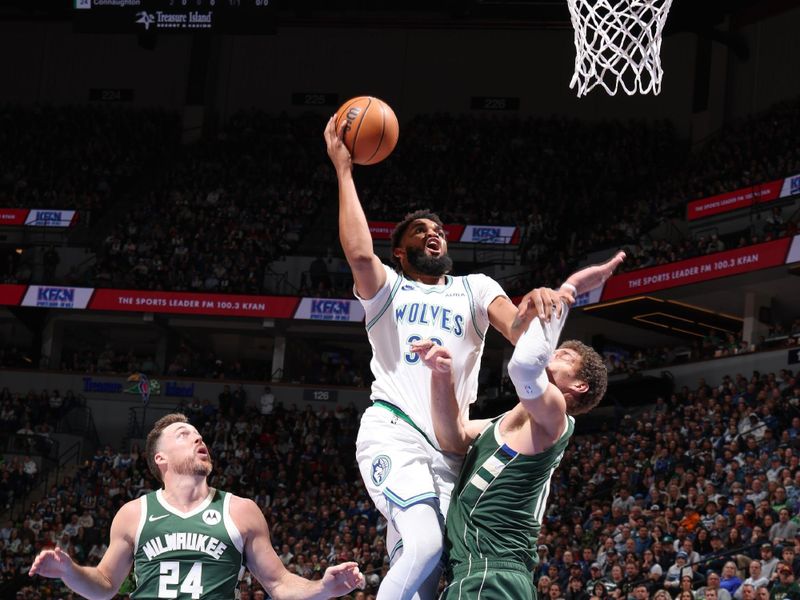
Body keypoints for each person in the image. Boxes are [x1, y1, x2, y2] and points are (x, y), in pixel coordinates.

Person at [324, 115, 624, 600]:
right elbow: (360, 255)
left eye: (438, 229)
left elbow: (519, 329)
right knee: (423, 547)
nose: (433, 233)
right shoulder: (387, 289)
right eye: (420, 232)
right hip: (395, 428)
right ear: (399, 252)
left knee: (428, 571)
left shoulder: (476, 288)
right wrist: (344, 170)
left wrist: (545, 302)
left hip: (451, 447)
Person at [412, 280, 610, 599]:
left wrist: (554, 309)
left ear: (579, 387)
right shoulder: (502, 424)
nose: (552, 354)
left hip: (490, 574)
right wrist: (441, 375)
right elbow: (452, 437)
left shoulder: (556, 416)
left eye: (564, 356)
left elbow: (524, 368)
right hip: (483, 575)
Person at [28, 413, 364, 599]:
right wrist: (69, 572)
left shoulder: (240, 510)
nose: (198, 438)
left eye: (199, 435)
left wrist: (323, 587)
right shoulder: (134, 513)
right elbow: (104, 584)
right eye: (184, 435)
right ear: (160, 458)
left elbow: (279, 584)